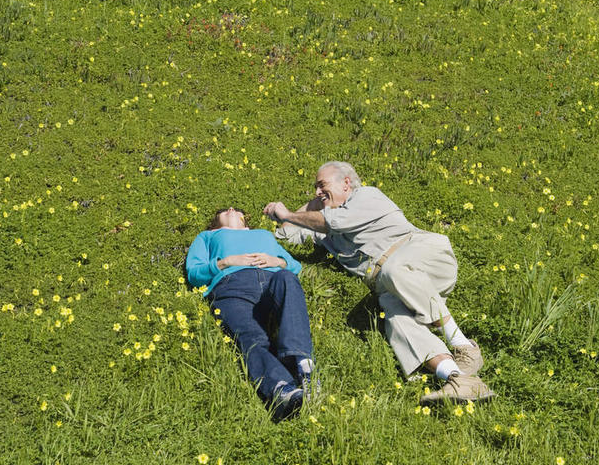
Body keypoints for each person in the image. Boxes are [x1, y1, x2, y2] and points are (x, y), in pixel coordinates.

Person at [264, 162, 494, 405]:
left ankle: (463, 345)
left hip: (421, 254)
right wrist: (313, 203)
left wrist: (288, 213)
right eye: (315, 188)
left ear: (346, 183)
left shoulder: (366, 196)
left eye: (322, 185)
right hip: (390, 284)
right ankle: (460, 379)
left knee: (393, 271)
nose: (318, 192)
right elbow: (286, 233)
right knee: (398, 325)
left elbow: (332, 221)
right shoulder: (324, 231)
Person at [186, 207, 317, 419]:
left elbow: (294, 266)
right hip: (231, 287)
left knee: (288, 279)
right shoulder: (207, 236)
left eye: (236, 209)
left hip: (273, 278)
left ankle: (301, 361)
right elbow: (194, 272)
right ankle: (282, 389)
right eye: (224, 210)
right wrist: (226, 262)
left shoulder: (263, 235)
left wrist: (277, 261)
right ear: (214, 224)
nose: (231, 209)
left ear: (245, 222)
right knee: (251, 336)